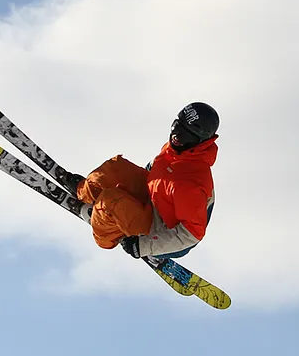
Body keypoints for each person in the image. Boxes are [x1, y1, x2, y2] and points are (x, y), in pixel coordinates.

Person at [69, 102, 218, 260]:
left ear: (201, 141)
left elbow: (190, 235)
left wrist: (143, 245)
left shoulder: (192, 183)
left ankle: (107, 232)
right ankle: (85, 193)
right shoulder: (177, 148)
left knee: (110, 201)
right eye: (176, 126)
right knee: (115, 169)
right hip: (155, 200)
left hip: (165, 232)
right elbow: (156, 171)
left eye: (186, 134)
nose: (176, 136)